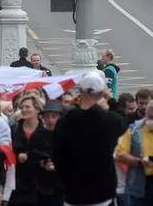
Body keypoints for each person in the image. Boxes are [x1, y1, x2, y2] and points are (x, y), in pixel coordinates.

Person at [53, 71, 128, 206]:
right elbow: (123, 120)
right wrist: (110, 98)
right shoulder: (107, 120)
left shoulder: (66, 121)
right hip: (102, 193)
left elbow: (57, 155)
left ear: (80, 90)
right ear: (100, 93)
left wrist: (66, 182)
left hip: (73, 193)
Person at [115, 100, 153, 206]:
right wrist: (140, 161)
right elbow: (120, 155)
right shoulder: (134, 130)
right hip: (140, 184)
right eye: (151, 115)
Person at [9, 94, 44, 206]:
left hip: (41, 183)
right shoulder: (14, 129)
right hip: (19, 183)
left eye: (27, 107)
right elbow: (8, 151)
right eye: (22, 107)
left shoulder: (45, 129)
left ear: (37, 109)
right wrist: (17, 156)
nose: (23, 110)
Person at [30, 100, 64, 206]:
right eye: (47, 116)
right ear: (43, 117)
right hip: (43, 184)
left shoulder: (65, 134)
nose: (50, 120)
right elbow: (31, 156)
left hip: (63, 183)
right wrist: (43, 163)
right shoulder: (37, 135)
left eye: (54, 116)